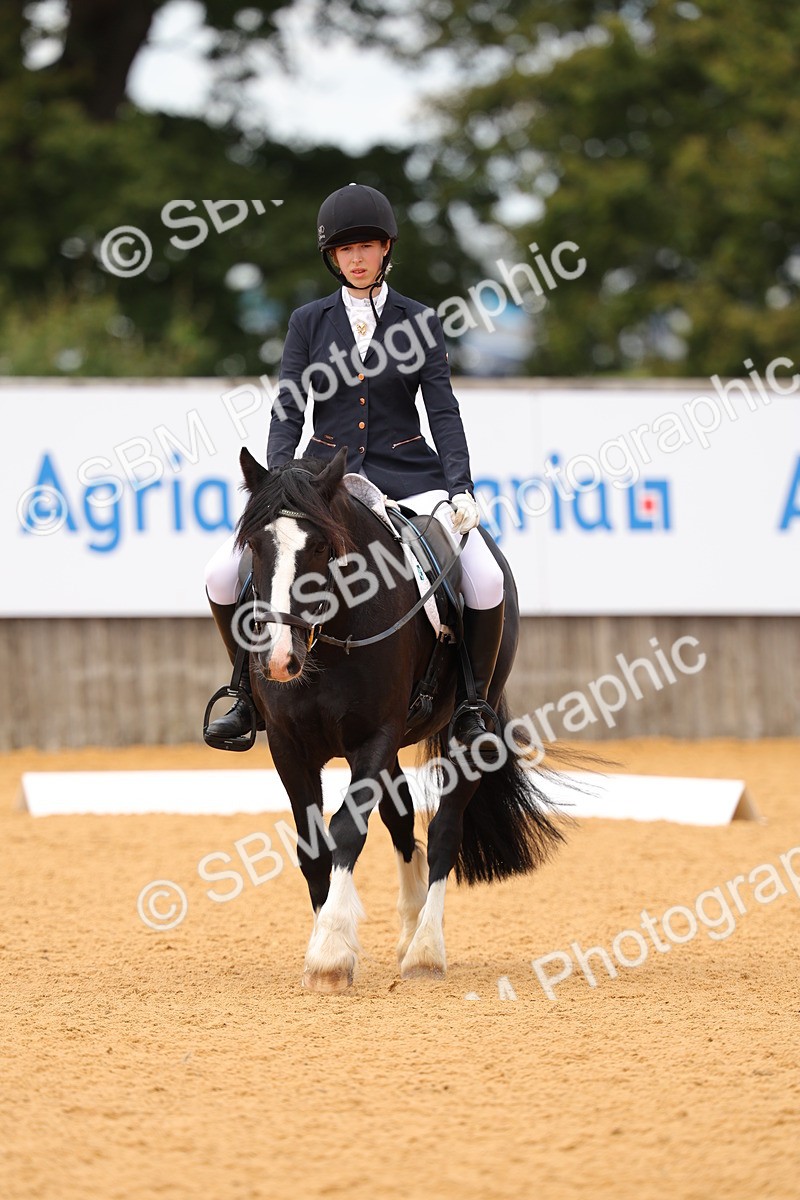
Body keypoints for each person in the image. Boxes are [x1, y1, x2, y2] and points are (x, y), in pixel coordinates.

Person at [204, 183, 505, 751]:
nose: (358, 258)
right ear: (332, 257)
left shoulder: (420, 319)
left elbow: (442, 408)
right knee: (221, 572)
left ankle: (470, 704)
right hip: (325, 483)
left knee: (486, 578)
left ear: (386, 248)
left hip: (411, 479)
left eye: (367, 246)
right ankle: (245, 693)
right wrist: (279, 486)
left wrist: (460, 485)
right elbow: (289, 405)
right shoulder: (308, 323)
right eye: (346, 250)